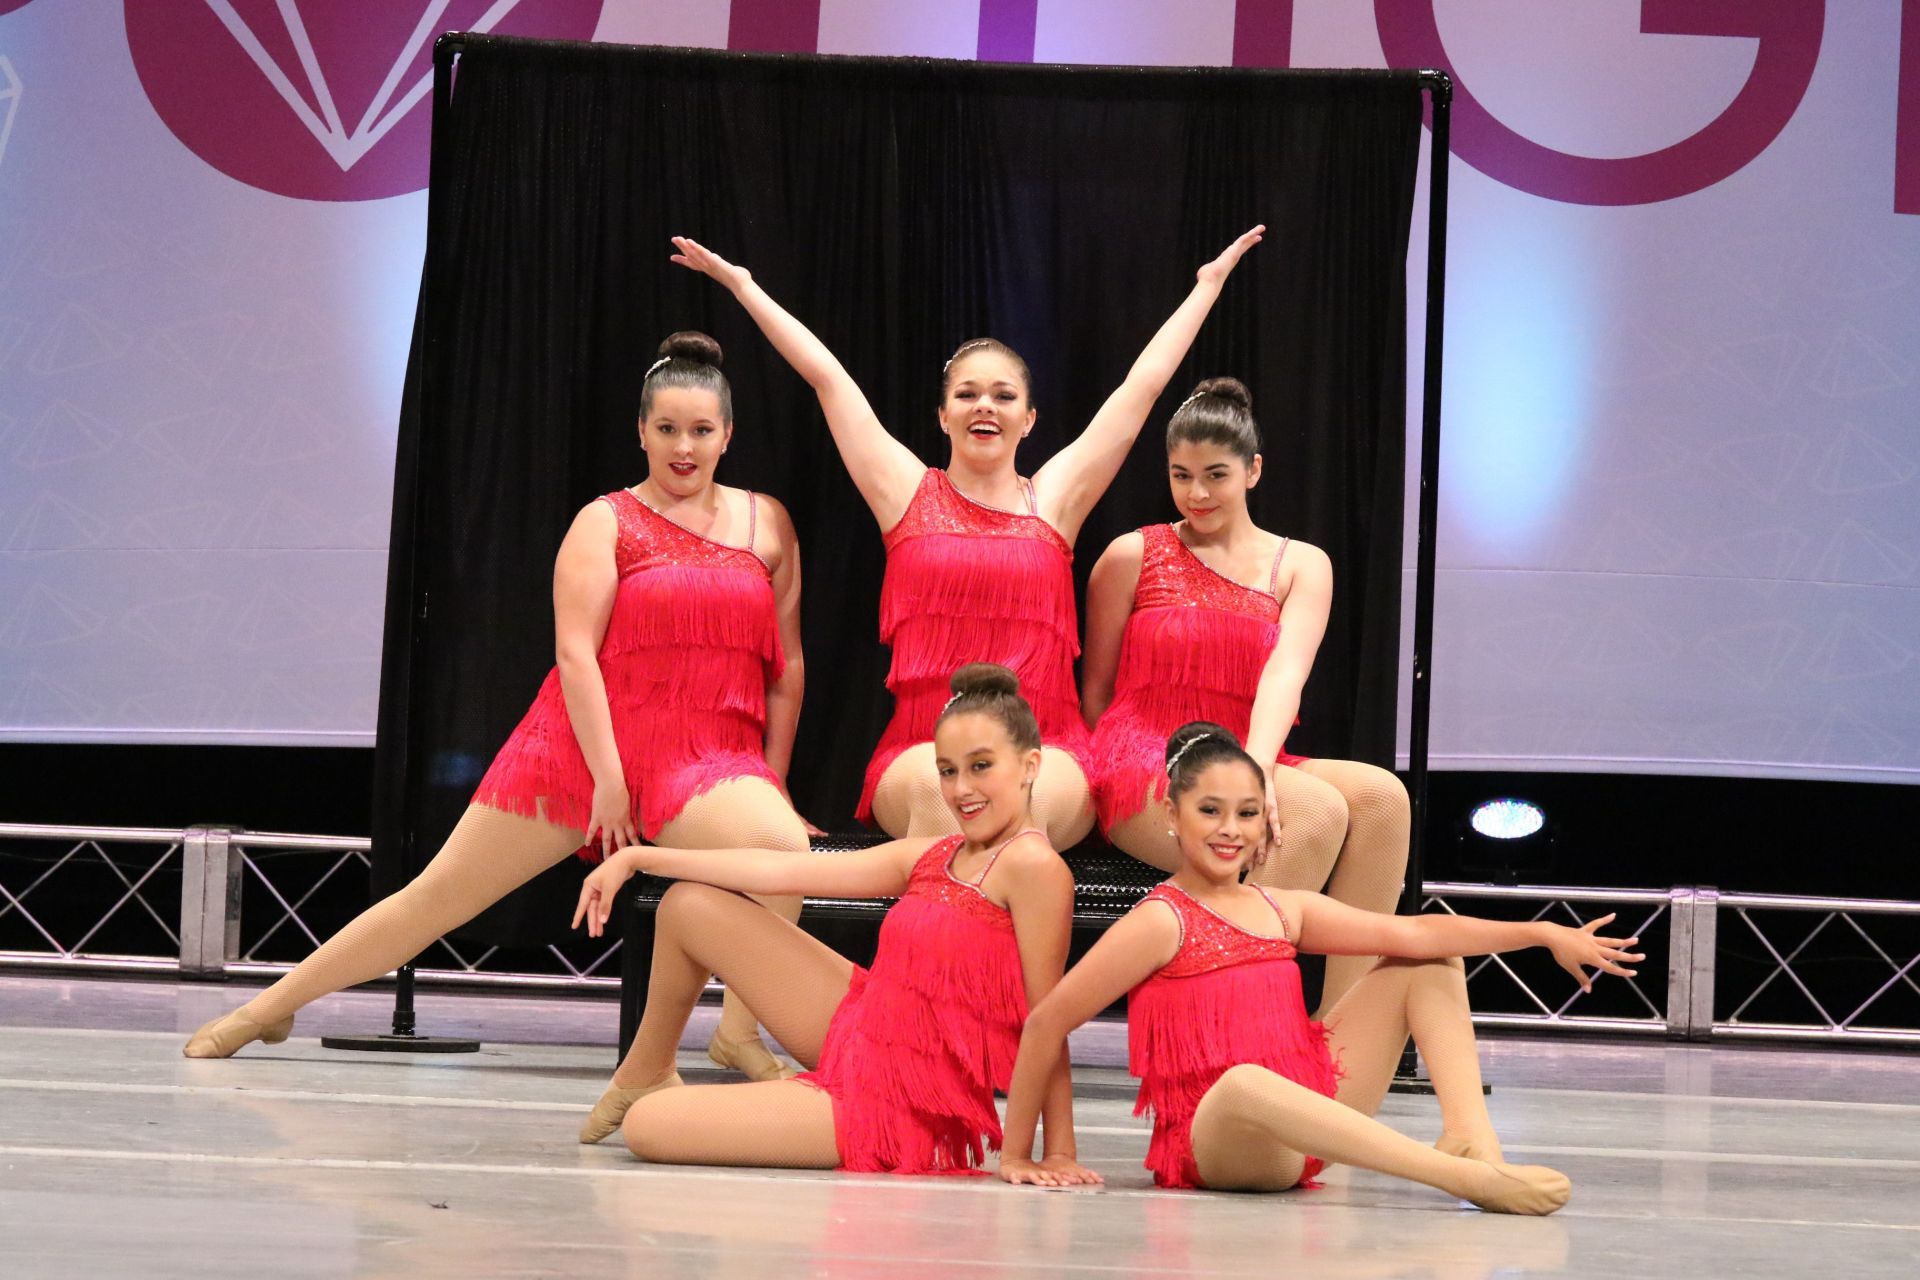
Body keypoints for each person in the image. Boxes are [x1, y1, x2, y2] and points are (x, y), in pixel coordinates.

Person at [186, 333, 808, 1079]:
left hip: (706, 759)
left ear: (728, 434)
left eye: (701, 431)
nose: (683, 447)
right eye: (667, 429)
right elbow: (575, 655)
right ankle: (266, 1009)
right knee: (436, 898)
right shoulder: (604, 521)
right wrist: (609, 779)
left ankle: (737, 1032)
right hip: (580, 748)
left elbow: (787, 666)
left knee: (782, 858)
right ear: (640, 429)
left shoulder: (765, 523)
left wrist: (773, 778)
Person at [669, 228, 1263, 850]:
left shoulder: (1054, 500)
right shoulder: (904, 491)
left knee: (1013, 806)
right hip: (923, 751)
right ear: (943, 415)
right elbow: (827, 377)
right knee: (947, 800)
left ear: (1029, 419)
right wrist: (743, 286)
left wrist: (1207, 288)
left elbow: (1141, 388)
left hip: (1046, 748)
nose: (986, 406)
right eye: (967, 394)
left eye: (1004, 396)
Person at [996, 722, 1641, 1212]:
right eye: (1210, 811)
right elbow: (1048, 1020)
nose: (1231, 830)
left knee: (1429, 956)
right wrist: (1033, 1153)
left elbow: (1417, 929)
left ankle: (1473, 1142)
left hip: (1306, 1118)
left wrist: (1540, 931)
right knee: (1245, 1081)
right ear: (1172, 815)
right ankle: (1460, 1179)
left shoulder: (1285, 909)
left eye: (1247, 813)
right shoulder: (1162, 919)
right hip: (1220, 1139)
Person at [571, 664, 1097, 1186]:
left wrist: (1049, 1151)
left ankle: (672, 1101)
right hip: (864, 1028)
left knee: (647, 1129)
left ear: (1030, 765)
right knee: (688, 905)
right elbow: (782, 869)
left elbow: (1047, 1019)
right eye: (948, 770)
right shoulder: (937, 854)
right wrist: (639, 858)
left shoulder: (1034, 868)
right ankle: (646, 1072)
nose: (961, 789)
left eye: (981, 766)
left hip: (895, 1107)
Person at [1082, 377, 1409, 1015]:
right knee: (1315, 813)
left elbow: (1286, 674)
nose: (1197, 493)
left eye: (1215, 475)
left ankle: (1342, 1032)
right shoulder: (1133, 554)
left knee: (1383, 800)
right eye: (1181, 476)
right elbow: (1095, 694)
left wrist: (1254, 770)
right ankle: (1232, 1020)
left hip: (1249, 750)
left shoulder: (1301, 563)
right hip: (1145, 757)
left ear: (1253, 470)